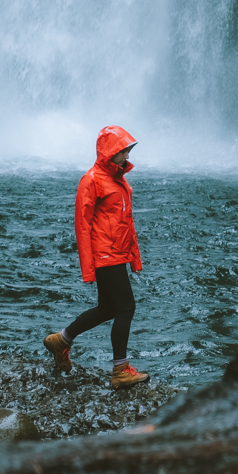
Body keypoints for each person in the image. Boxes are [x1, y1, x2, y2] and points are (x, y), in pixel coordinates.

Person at [44, 125, 150, 389]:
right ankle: (120, 371)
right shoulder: (91, 180)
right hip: (105, 255)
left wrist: (135, 258)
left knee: (108, 309)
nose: (127, 155)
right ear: (108, 152)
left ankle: (61, 340)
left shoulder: (120, 180)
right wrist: (88, 269)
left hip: (117, 254)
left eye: (127, 150)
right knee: (126, 307)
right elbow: (82, 226)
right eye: (122, 150)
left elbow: (127, 222)